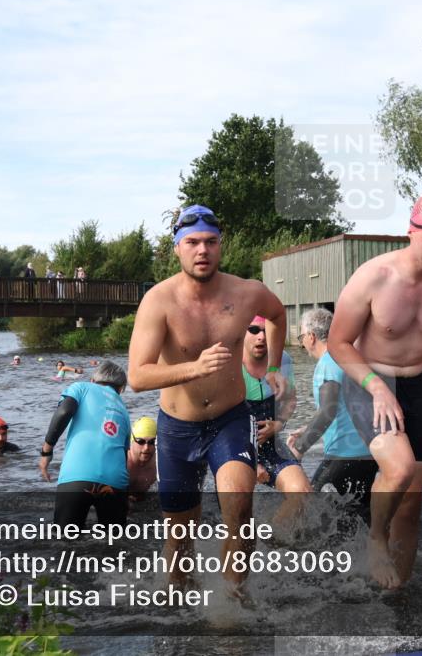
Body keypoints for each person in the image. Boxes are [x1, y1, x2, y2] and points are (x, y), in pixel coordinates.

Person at [127, 204, 287, 597]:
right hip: (176, 428)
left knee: (240, 507)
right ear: (177, 248)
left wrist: (275, 367)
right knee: (179, 537)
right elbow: (137, 376)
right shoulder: (158, 301)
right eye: (193, 242)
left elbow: (278, 316)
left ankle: (231, 603)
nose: (203, 250)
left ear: (221, 246)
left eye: (211, 242)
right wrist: (194, 368)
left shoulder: (247, 293)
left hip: (230, 420)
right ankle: (179, 599)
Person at [327, 192, 422, 590]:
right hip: (369, 382)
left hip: (417, 385)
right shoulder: (374, 276)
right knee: (399, 469)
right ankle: (375, 539)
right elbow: (338, 343)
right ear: (410, 233)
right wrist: (377, 387)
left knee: (412, 503)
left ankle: (400, 593)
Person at [288, 308, 378, 516]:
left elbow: (327, 412)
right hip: (370, 454)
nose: (302, 343)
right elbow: (346, 406)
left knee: (308, 514)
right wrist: (306, 428)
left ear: (311, 337)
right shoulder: (349, 359)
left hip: (344, 455)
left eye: (301, 337)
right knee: (357, 521)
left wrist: (299, 449)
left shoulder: (327, 364)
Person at [39, 361, 132, 527]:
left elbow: (64, 412)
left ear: (93, 380)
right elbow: (124, 455)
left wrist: (47, 452)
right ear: (121, 388)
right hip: (115, 481)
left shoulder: (81, 388)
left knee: (65, 540)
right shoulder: (124, 410)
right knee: (114, 542)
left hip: (77, 475)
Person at [242, 316, 309, 491]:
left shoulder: (283, 359)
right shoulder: (230, 362)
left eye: (266, 331)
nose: (261, 336)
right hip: (235, 444)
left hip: (269, 442)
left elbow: (290, 400)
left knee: (301, 491)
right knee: (237, 503)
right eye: (254, 330)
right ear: (241, 331)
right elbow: (216, 415)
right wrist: (253, 462)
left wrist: (278, 424)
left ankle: (274, 520)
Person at [126, 416, 158, 503]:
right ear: (132, 440)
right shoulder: (122, 463)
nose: (146, 448)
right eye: (141, 442)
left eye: (151, 442)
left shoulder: (158, 464)